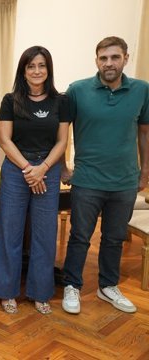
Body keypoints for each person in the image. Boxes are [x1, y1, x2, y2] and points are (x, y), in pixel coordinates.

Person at [61, 36, 149, 314]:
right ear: (96, 60)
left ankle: (107, 286)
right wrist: (64, 166)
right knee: (80, 236)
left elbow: (144, 135)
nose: (109, 63)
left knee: (114, 237)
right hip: (87, 180)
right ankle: (72, 285)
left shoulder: (142, 90)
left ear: (126, 57)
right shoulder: (77, 90)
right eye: (103, 58)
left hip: (125, 181)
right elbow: (61, 131)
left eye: (115, 57)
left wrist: (145, 172)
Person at [0, 46, 70, 315]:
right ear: (23, 71)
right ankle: (6, 291)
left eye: (42, 65)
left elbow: (62, 142)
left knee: (45, 234)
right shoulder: (11, 100)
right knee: (9, 233)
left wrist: (42, 168)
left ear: (49, 69)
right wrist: (28, 169)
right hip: (15, 169)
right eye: (31, 66)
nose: (36, 71)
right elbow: (4, 140)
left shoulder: (61, 101)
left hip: (48, 168)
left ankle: (41, 292)